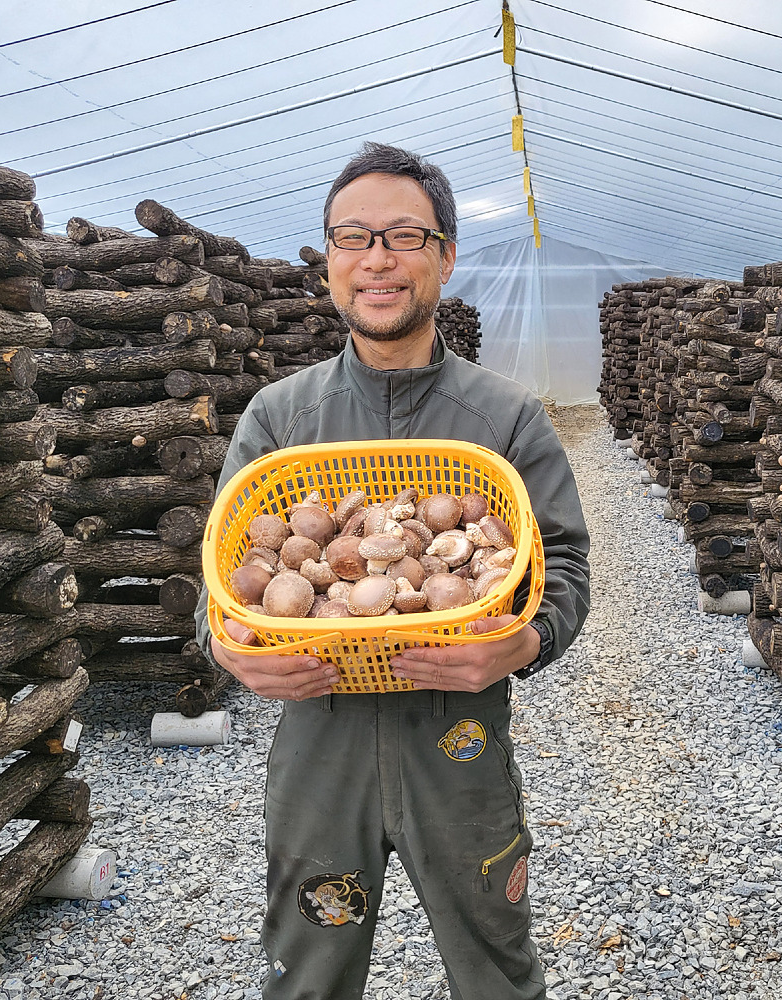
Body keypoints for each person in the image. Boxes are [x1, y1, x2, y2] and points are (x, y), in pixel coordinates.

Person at [195, 141, 590, 999]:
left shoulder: (505, 418)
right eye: (352, 237)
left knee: (496, 968)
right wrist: (228, 650)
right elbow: (224, 576)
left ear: (445, 256)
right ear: (330, 262)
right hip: (318, 742)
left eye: (405, 236)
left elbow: (563, 562)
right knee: (309, 975)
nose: (377, 259)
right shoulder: (280, 417)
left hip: (458, 737)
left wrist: (521, 645)